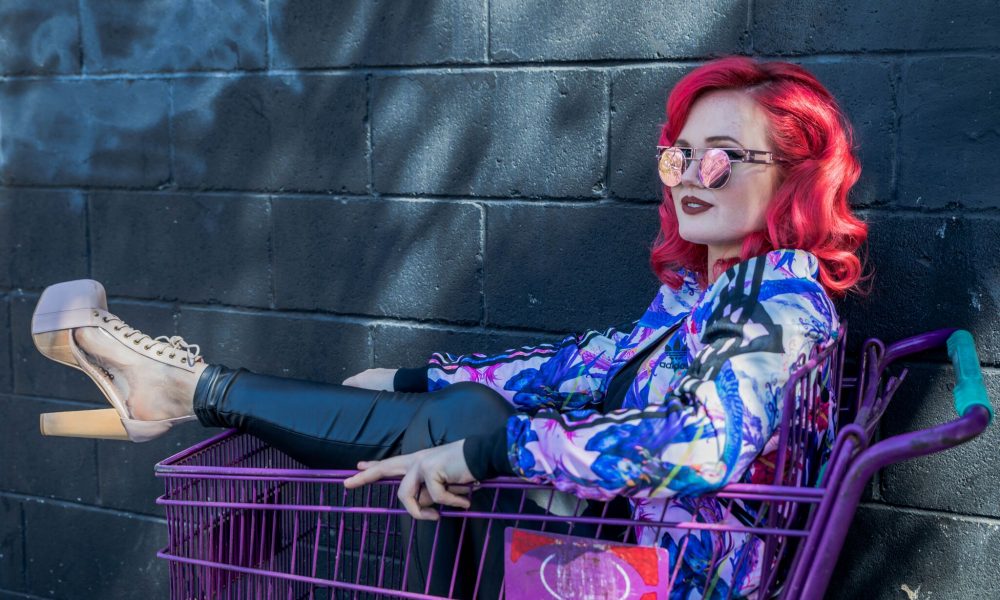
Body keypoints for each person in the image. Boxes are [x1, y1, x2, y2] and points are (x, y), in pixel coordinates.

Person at [29, 55, 867, 598]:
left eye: (721, 157)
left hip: (665, 579)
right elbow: (578, 366)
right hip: (625, 549)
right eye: (678, 156)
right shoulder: (706, 299)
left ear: (797, 177)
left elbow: (703, 443)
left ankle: (187, 389)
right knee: (460, 414)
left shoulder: (779, 305)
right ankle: (189, 389)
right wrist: (416, 379)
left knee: (468, 429)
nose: (689, 176)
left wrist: (493, 448)